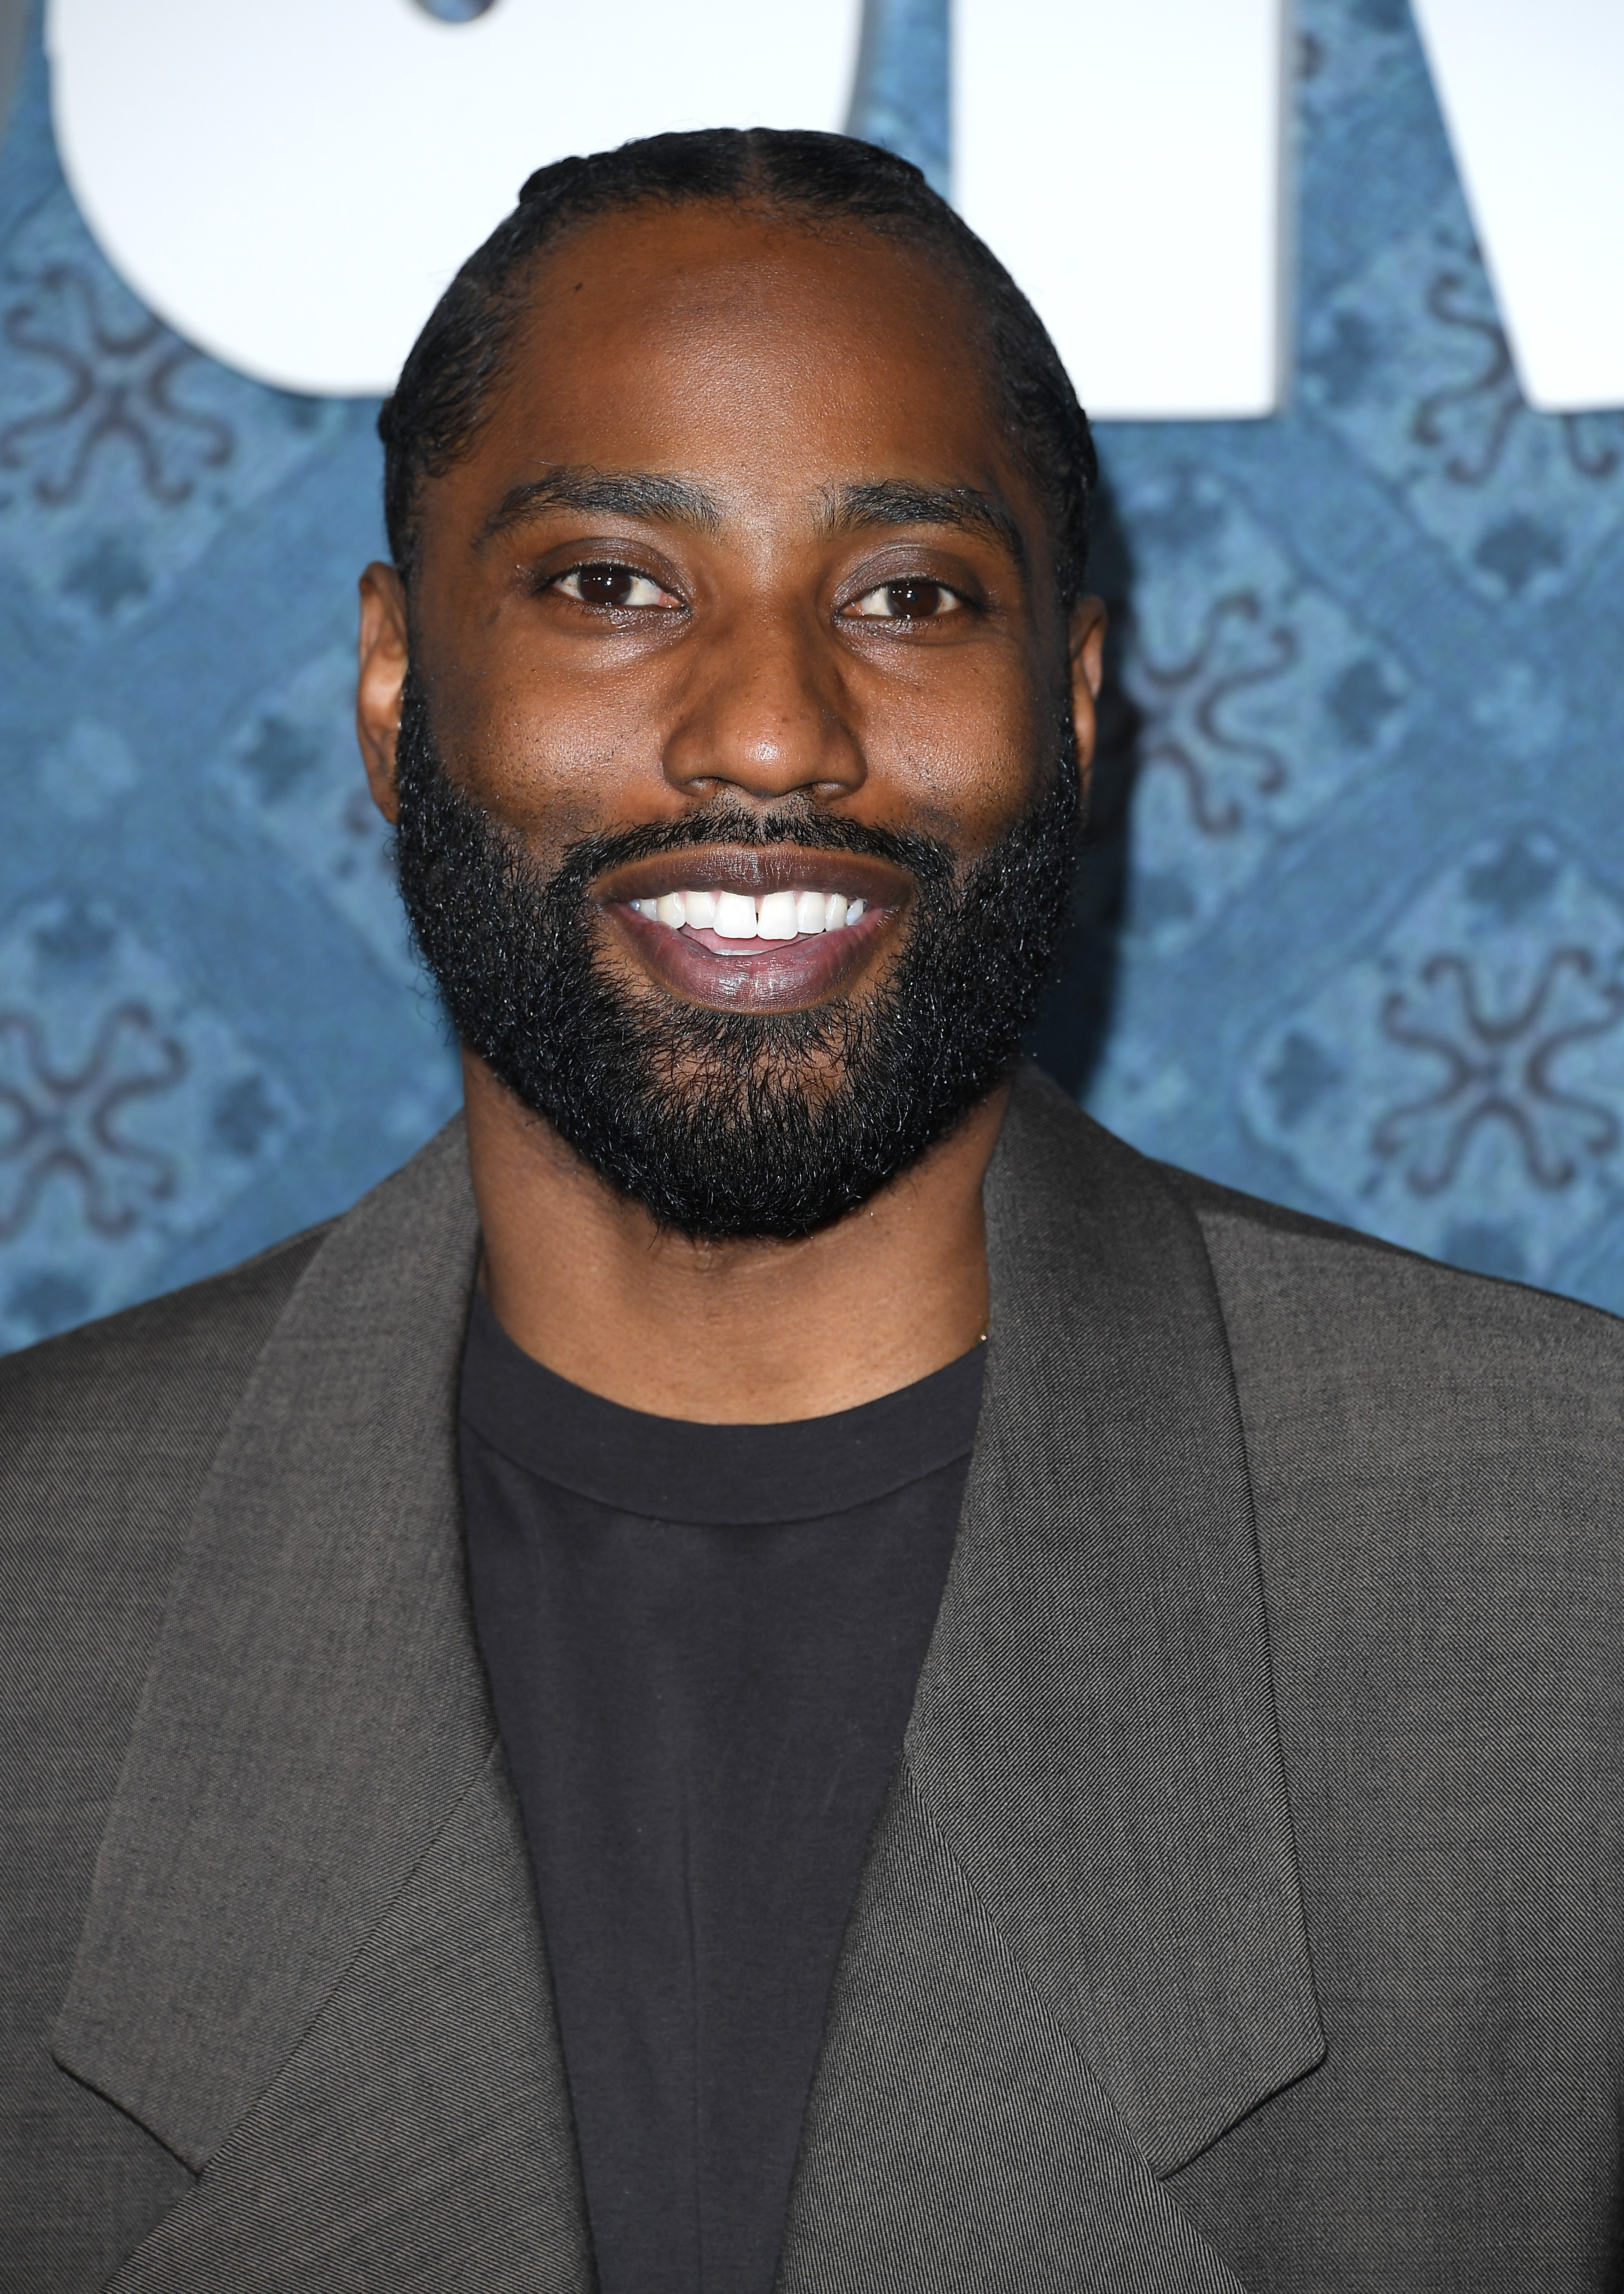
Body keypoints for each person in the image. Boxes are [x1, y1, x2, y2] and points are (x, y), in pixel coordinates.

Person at [3, 128, 1620, 2294]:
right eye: (609, 583)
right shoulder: (35, 1602)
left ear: (1066, 698)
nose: (770, 731)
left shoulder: (1569, 1580)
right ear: (396, 693)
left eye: (906, 595)